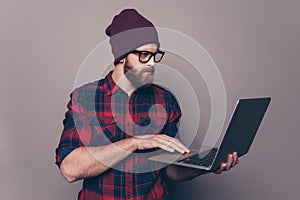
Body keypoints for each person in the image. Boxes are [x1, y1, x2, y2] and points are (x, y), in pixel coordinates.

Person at [55, 8, 239, 200]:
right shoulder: (85, 98)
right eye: (144, 55)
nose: (151, 63)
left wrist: (207, 166)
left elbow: (171, 170)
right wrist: (134, 143)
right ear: (122, 56)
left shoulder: (166, 101)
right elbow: (70, 169)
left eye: (155, 55)